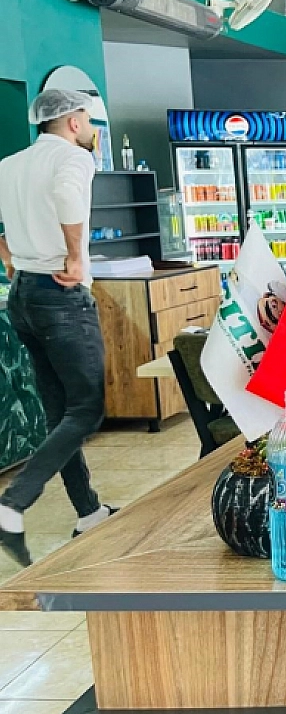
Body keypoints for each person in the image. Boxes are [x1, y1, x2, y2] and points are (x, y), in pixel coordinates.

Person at [0, 90, 117, 566]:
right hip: (60, 295)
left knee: (59, 411)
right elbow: (69, 198)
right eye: (87, 118)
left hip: (23, 294)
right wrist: (75, 256)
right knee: (87, 409)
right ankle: (13, 503)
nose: (90, 128)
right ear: (72, 121)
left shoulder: (11, 164)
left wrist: (9, 257)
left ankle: (88, 511)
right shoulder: (73, 159)